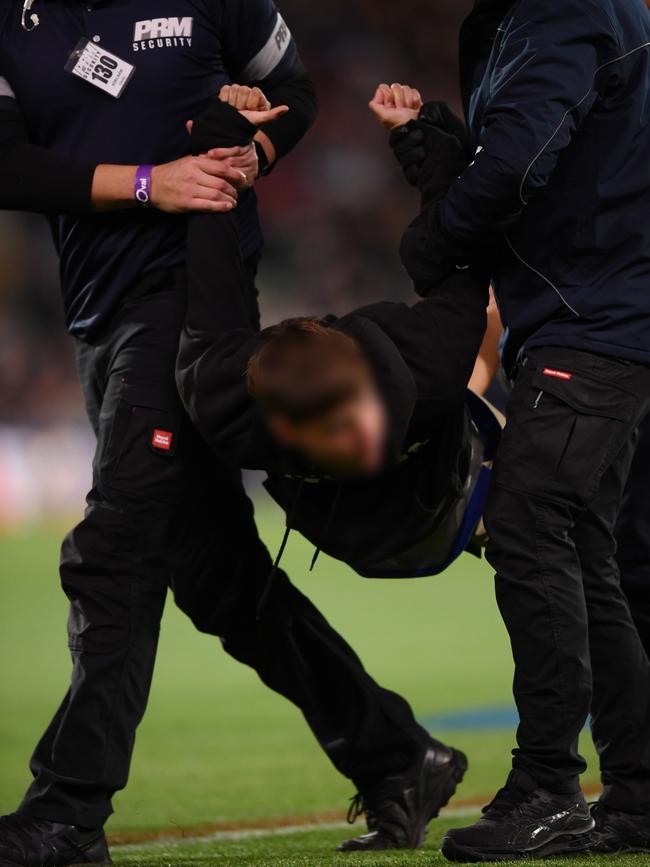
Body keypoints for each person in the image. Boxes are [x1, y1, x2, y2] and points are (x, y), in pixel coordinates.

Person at [0, 4, 445, 864]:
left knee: (118, 548)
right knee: (216, 578)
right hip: (98, 314)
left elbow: (293, 92)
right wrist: (147, 181)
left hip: (191, 305)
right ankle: (398, 756)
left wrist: (251, 157)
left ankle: (68, 810)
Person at [390, 0, 650, 860]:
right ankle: (638, 790)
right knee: (582, 548)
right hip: (589, 314)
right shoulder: (524, 20)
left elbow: (519, 165)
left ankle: (547, 787)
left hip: (596, 317)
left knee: (533, 524)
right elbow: (542, 159)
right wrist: (439, 149)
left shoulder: (558, 9)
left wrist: (438, 232)